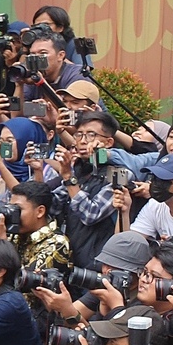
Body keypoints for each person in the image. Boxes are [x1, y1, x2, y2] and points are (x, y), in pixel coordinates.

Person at [47, 111, 123, 268]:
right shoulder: (79, 169)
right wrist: (38, 170)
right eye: (79, 135)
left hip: (96, 264)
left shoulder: (119, 173)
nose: (82, 141)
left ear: (108, 142)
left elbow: (91, 214)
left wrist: (68, 177)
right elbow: (52, 207)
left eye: (90, 135)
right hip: (68, 259)